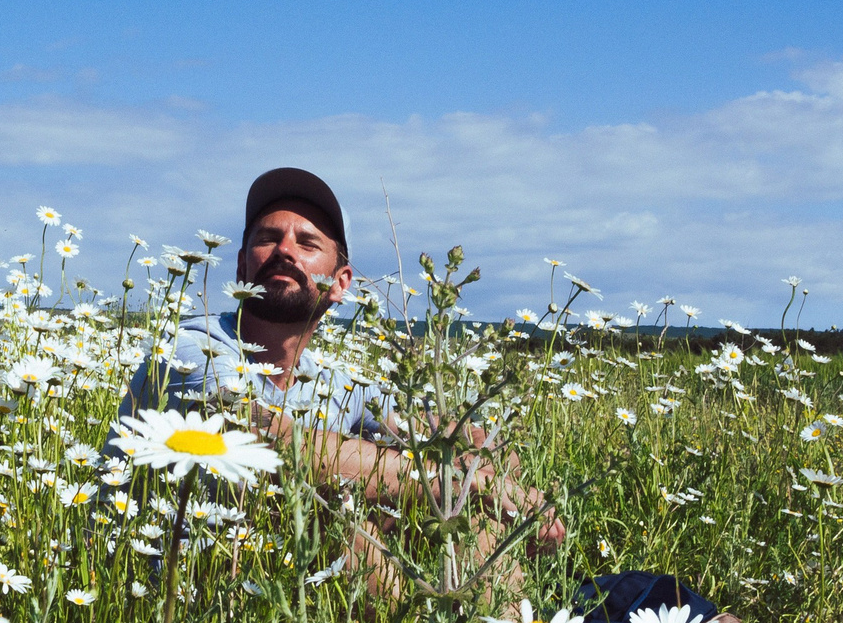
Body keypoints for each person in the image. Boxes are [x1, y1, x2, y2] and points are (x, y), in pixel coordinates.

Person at [119, 166, 562, 597]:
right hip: (168, 597)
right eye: (268, 238)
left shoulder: (334, 383)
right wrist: (466, 483)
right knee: (332, 515)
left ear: (340, 283)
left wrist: (492, 472)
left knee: (463, 513)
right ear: (240, 265)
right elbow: (270, 437)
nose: (285, 250)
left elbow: (451, 433)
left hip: (278, 583)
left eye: (307, 242)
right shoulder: (187, 350)